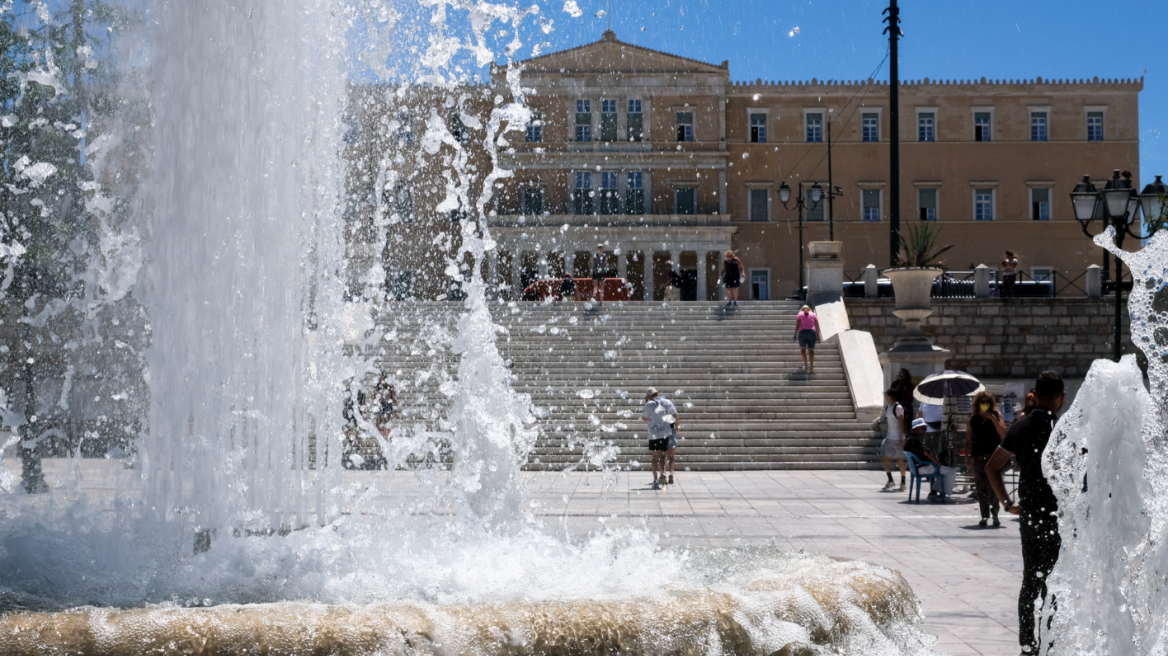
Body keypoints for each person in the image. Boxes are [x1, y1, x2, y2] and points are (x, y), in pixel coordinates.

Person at [985, 371, 1066, 656]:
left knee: (1030, 580)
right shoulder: (1064, 428)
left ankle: (1027, 645)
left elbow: (992, 467)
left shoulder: (1019, 427)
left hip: (1030, 515)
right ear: (1060, 396)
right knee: (1054, 582)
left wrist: (1007, 504)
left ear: (1036, 393)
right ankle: (1050, 643)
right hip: (1057, 517)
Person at [965, 390, 1007, 527]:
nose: (985, 405)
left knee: (993, 486)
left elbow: (1003, 433)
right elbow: (968, 440)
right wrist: (966, 457)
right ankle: (984, 516)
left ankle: (995, 513)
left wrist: (993, 419)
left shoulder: (996, 415)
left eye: (987, 402)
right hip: (978, 456)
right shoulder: (973, 420)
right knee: (981, 487)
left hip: (993, 456)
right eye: (982, 402)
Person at [905, 417, 955, 499]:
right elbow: (926, 453)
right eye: (923, 428)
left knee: (942, 470)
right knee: (951, 472)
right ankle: (944, 495)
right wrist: (936, 461)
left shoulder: (910, 439)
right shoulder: (916, 440)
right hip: (923, 467)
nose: (925, 430)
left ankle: (933, 492)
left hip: (918, 467)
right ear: (916, 429)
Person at [642, 387, 678, 489]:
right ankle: (663, 474)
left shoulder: (649, 405)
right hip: (665, 433)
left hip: (653, 434)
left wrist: (652, 417)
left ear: (649, 396)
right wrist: (677, 425)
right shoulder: (666, 402)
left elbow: (645, 418)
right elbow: (675, 414)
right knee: (662, 456)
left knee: (654, 457)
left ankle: (655, 478)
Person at [879, 389, 906, 492]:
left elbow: (902, 423)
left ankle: (903, 482)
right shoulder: (888, 407)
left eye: (886, 396)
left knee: (899, 459)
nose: (885, 398)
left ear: (891, 397)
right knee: (883, 457)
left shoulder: (898, 407)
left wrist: (901, 438)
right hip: (889, 436)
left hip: (897, 437)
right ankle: (890, 480)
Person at [792, 305, 823, 372]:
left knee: (803, 349)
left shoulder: (800, 314)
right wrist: (818, 335)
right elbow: (817, 325)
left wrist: (795, 334)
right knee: (811, 350)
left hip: (802, 333)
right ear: (809, 309)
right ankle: (811, 366)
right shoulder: (813, 314)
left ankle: (806, 364)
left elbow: (798, 325)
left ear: (802, 309)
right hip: (812, 333)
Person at [371, 373, 398, 439]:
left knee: (386, 424)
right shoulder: (377, 385)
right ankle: (384, 437)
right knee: (378, 424)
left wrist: (395, 410)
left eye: (382, 377)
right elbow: (373, 396)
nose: (381, 378)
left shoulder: (389, 384)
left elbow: (394, 396)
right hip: (380, 406)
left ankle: (387, 437)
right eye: (380, 377)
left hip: (387, 405)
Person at [890, 368, 915, 435]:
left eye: (902, 373)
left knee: (907, 425)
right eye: (899, 373)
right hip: (896, 407)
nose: (900, 375)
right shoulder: (895, 384)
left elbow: (910, 397)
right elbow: (892, 395)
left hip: (907, 407)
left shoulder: (910, 385)